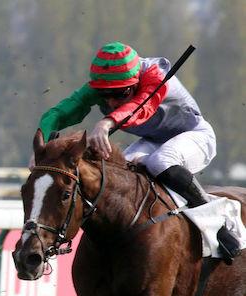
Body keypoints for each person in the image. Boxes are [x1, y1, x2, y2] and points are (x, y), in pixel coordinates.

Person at [37, 41, 240, 263]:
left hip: (195, 136)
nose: (112, 102)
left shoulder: (156, 76)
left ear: (134, 82)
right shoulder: (101, 87)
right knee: (119, 170)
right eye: (105, 95)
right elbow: (58, 113)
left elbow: (141, 108)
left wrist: (106, 123)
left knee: (160, 162)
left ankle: (219, 224)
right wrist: (40, 147)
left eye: (119, 94)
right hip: (154, 140)